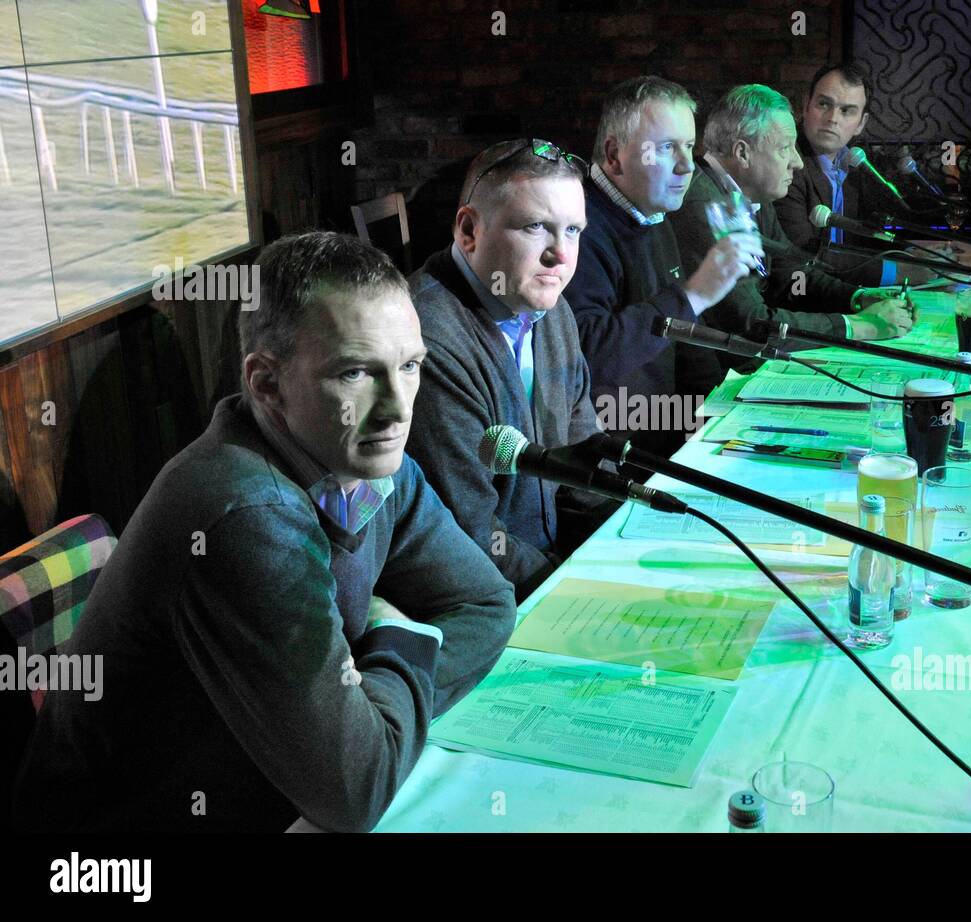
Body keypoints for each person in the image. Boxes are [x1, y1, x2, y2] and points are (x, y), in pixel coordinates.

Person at [12, 233, 516, 833]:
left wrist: (372, 717)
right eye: (355, 372)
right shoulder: (244, 513)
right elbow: (355, 794)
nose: (397, 408)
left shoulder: (370, 463)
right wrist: (400, 639)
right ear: (266, 383)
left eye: (408, 367)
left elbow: (486, 605)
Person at [406, 139, 614, 601]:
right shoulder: (428, 339)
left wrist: (620, 553)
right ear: (468, 231)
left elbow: (581, 464)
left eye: (574, 231)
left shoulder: (548, 308)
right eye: (536, 227)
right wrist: (569, 590)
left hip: (545, 574)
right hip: (479, 601)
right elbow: (471, 531)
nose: (561, 255)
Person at [564, 75, 765, 458]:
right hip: (608, 462)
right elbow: (587, 358)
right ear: (613, 155)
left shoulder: (651, 214)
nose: (687, 165)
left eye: (689, 146)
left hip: (665, 440)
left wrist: (725, 418)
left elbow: (687, 344)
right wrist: (693, 295)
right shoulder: (577, 229)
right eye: (667, 147)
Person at [670, 83, 913, 343]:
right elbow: (750, 322)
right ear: (743, 153)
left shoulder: (751, 195)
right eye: (785, 148)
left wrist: (858, 298)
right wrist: (858, 326)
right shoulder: (705, 207)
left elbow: (791, 277)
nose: (797, 163)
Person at [774, 62, 910, 282]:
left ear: (860, 124)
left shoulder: (857, 164)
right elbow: (804, 252)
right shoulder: (787, 162)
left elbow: (870, 236)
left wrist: (920, 254)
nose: (833, 118)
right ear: (806, 105)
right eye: (824, 104)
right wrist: (900, 272)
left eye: (847, 110)